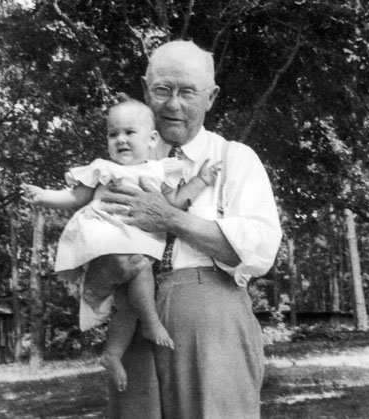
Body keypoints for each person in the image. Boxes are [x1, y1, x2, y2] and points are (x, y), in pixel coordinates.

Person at [101, 40, 282, 419]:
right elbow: (96, 243)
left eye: (188, 92)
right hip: (135, 317)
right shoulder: (125, 161)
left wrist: (170, 218)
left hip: (212, 320)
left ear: (211, 96)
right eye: (162, 90)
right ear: (146, 89)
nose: (173, 104)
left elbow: (258, 250)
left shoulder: (234, 159)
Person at [21, 99, 221, 392]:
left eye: (130, 132)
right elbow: (75, 197)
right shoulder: (102, 168)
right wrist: (43, 196)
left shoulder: (159, 171)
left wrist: (202, 180)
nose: (121, 140)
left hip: (136, 243)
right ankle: (151, 321)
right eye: (113, 134)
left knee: (129, 301)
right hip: (104, 236)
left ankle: (112, 354)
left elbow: (175, 203)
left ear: (152, 139)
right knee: (138, 268)